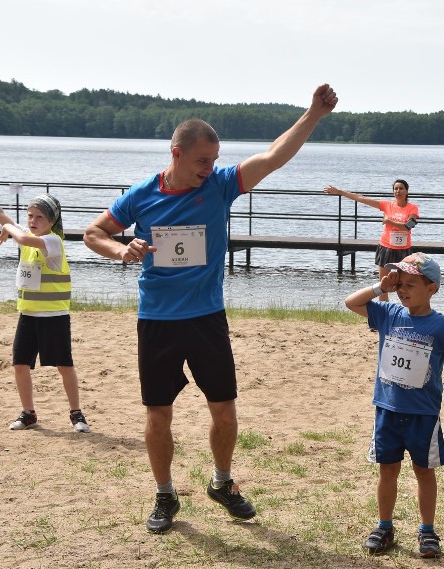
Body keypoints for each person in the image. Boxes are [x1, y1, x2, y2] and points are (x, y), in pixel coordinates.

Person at [83, 84, 338, 534]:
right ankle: (165, 494)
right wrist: (120, 249)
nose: (210, 168)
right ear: (176, 153)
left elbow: (275, 156)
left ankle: (222, 483)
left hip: (206, 318)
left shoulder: (220, 186)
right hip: (158, 320)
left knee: (224, 410)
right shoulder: (141, 195)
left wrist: (312, 115)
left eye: (214, 160)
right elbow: (92, 233)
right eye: (203, 160)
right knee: (158, 413)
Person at [344, 253, 444, 558]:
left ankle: (427, 530)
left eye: (410, 284)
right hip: (388, 409)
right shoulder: (389, 313)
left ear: (432, 288)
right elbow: (351, 302)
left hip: (423, 414)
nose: (402, 289)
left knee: (424, 472)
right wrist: (380, 287)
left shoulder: (440, 325)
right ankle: (384, 526)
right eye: (399, 283)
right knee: (388, 469)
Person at [0, 165, 90, 433]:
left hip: (54, 316)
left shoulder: (52, 241)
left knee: (64, 365)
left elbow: (14, 231)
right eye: (29, 216)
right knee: (19, 364)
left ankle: (76, 414)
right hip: (28, 315)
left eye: (38, 217)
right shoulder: (28, 236)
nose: (32, 221)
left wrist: (9, 228)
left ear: (51, 221)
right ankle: (29, 414)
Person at [323, 180, 419, 301]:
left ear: (406, 191)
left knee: (406, 285)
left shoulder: (412, 208)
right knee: (383, 285)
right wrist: (340, 192)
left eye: (401, 188)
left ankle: (408, 314)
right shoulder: (387, 205)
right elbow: (361, 198)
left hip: (404, 249)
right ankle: (383, 315)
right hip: (386, 247)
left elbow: (408, 226)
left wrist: (389, 221)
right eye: (396, 189)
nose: (398, 191)